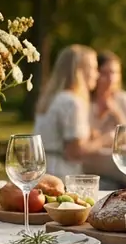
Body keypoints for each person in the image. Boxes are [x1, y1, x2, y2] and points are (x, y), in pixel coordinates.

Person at [33, 44, 105, 177]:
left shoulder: (52, 98)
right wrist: (108, 139)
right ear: (80, 70)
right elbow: (74, 153)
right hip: (62, 176)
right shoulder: (71, 102)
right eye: (93, 68)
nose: (97, 74)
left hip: (42, 172)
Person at [90, 50, 126, 145]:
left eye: (115, 73)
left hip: (117, 156)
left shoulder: (123, 98)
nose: (111, 79)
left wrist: (116, 113)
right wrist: (100, 116)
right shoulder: (87, 100)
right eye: (105, 73)